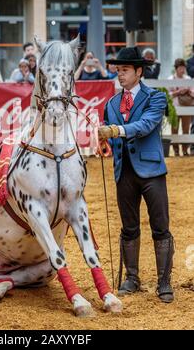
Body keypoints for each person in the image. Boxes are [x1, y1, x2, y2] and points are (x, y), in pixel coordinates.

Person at [98, 46, 174, 304]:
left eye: (125, 70)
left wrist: (115, 130)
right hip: (124, 172)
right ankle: (132, 278)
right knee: (129, 228)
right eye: (118, 70)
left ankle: (164, 282)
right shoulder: (110, 103)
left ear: (139, 72)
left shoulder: (156, 97)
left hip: (152, 171)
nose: (120, 75)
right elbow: (108, 134)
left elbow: (145, 126)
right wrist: (104, 142)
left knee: (160, 227)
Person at [168, 58, 192, 157]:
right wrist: (177, 92)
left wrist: (188, 91)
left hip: (186, 106)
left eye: (183, 68)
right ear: (176, 68)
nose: (182, 70)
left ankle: (185, 150)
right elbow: (167, 94)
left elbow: (193, 92)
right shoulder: (170, 79)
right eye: (180, 68)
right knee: (174, 129)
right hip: (174, 107)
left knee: (186, 129)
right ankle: (176, 150)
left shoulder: (188, 79)